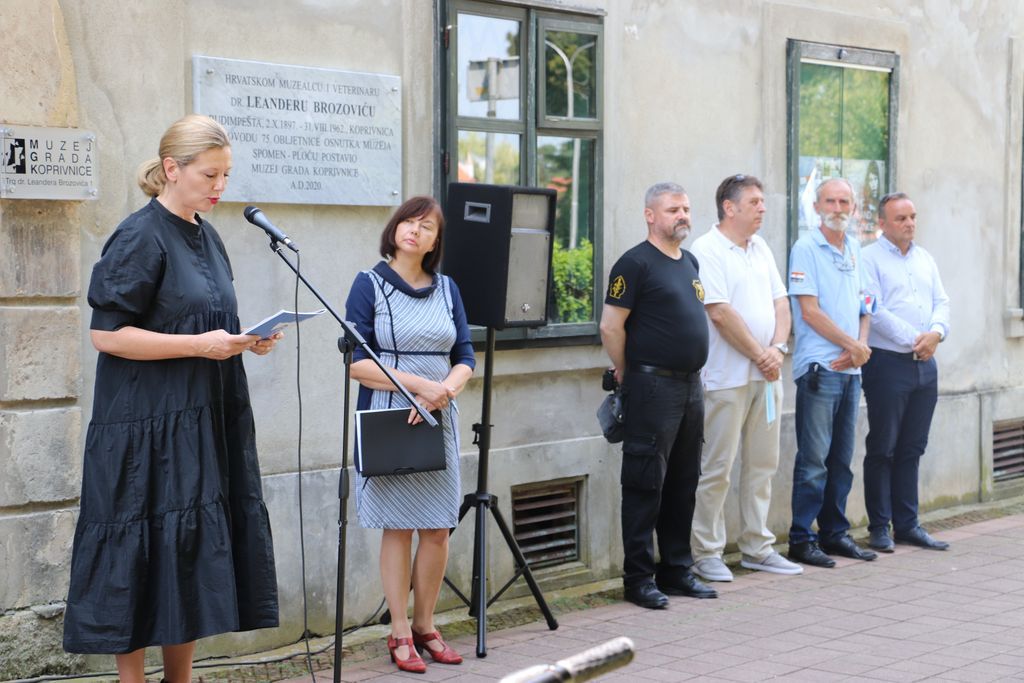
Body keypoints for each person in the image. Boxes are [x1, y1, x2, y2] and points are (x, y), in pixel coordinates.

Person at [63, 115, 281, 683]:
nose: (220, 186)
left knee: (183, 550)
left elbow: (207, 323)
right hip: (142, 426)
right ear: (171, 170)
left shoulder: (207, 234)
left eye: (226, 175)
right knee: (134, 549)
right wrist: (198, 345)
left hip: (201, 419)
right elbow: (108, 334)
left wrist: (240, 343)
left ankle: (180, 679)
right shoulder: (139, 235)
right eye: (211, 174)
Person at [344, 196, 475, 673]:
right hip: (391, 412)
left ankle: (426, 625)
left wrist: (445, 390)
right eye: (408, 222)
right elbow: (358, 363)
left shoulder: (447, 288)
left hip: (439, 412)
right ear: (395, 229)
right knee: (398, 527)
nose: (414, 231)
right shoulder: (369, 284)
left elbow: (465, 353)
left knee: (438, 527)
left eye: (426, 226)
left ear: (436, 241)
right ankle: (398, 630)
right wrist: (421, 386)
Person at [599, 182, 716, 610]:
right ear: (651, 215)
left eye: (686, 208)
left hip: (690, 386)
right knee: (645, 483)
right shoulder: (634, 264)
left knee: (684, 482)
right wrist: (629, 372)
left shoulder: (689, 261)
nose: (682, 215)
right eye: (672, 209)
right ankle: (639, 579)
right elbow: (611, 327)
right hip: (651, 387)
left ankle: (677, 570)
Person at [689, 175, 803, 581]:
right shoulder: (706, 250)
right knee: (717, 467)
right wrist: (761, 355)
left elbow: (782, 304)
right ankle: (706, 553)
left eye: (763, 201)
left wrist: (777, 350)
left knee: (762, 465)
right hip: (726, 378)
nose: (763, 208)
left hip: (766, 377)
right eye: (755, 202)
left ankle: (757, 546)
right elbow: (719, 313)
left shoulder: (761, 248)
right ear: (729, 207)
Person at [787, 177, 878, 568]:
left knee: (842, 458)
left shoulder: (856, 249)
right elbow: (809, 311)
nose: (838, 208)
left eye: (845, 202)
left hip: (850, 370)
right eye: (831, 201)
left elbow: (865, 305)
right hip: (821, 368)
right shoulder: (806, 248)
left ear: (853, 208)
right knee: (813, 461)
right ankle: (801, 539)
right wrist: (852, 347)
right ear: (817, 206)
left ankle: (835, 534)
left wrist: (859, 347)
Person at [860, 192, 951, 552]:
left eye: (912, 216)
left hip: (925, 364)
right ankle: (879, 526)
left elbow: (942, 301)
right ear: (882, 223)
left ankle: (908, 524)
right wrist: (918, 338)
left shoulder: (925, 258)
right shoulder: (868, 259)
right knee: (883, 446)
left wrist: (937, 333)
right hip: (887, 364)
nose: (910, 223)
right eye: (901, 218)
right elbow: (874, 310)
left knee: (913, 446)